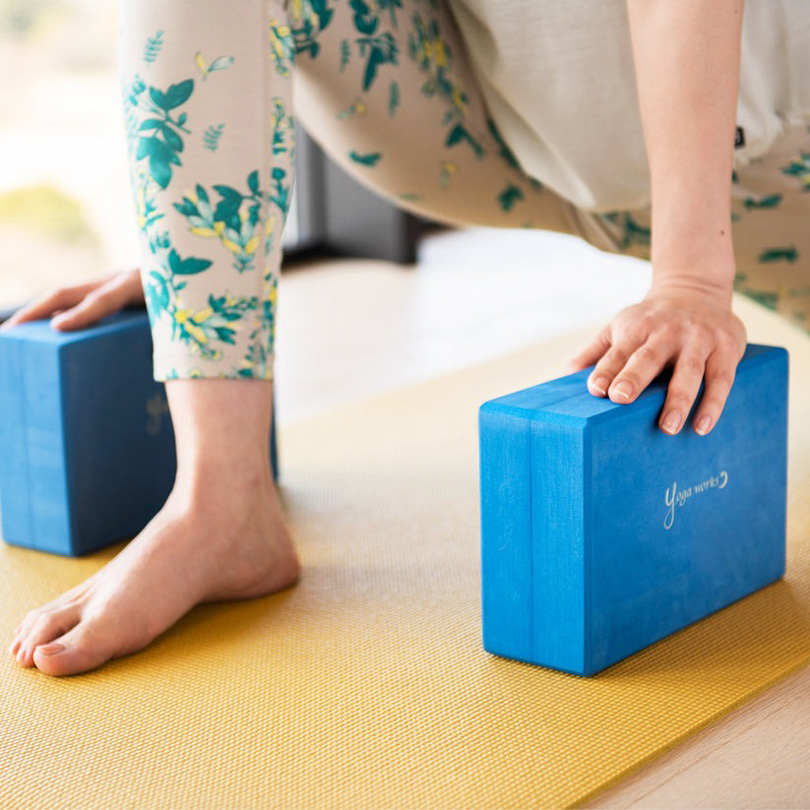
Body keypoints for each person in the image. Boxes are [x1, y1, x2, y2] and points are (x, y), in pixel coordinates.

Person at [4, 0, 808, 676]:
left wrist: (692, 278)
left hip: (770, 165)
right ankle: (222, 501)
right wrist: (204, 261)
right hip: (505, 133)